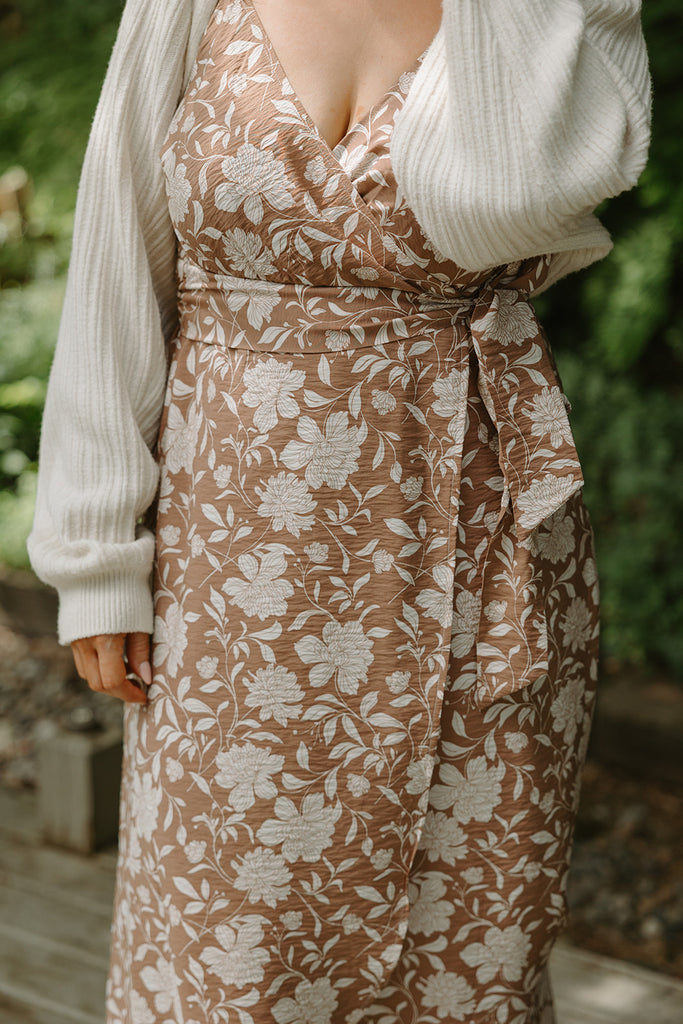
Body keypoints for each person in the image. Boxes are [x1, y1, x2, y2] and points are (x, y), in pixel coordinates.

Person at [27, 0, 651, 1021]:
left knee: (459, 952)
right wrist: (96, 555)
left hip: (472, 540)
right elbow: (115, 258)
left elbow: (528, 201)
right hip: (231, 574)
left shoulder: (544, 16)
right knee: (220, 948)